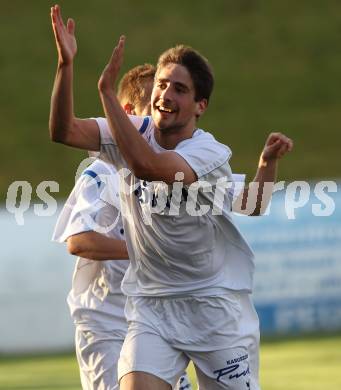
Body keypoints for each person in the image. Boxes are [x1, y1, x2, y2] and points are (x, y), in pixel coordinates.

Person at [50, 5, 293, 390]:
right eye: (162, 84)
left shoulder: (209, 154)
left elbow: (248, 202)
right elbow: (63, 130)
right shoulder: (133, 131)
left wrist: (107, 94)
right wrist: (66, 66)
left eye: (179, 89)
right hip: (153, 307)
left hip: (213, 307)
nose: (164, 94)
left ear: (200, 106)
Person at [52, 62, 192, 390]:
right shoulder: (101, 173)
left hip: (154, 324)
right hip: (107, 327)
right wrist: (142, 249)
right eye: (153, 110)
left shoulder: (164, 171)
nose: (160, 121)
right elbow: (78, 241)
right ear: (126, 112)